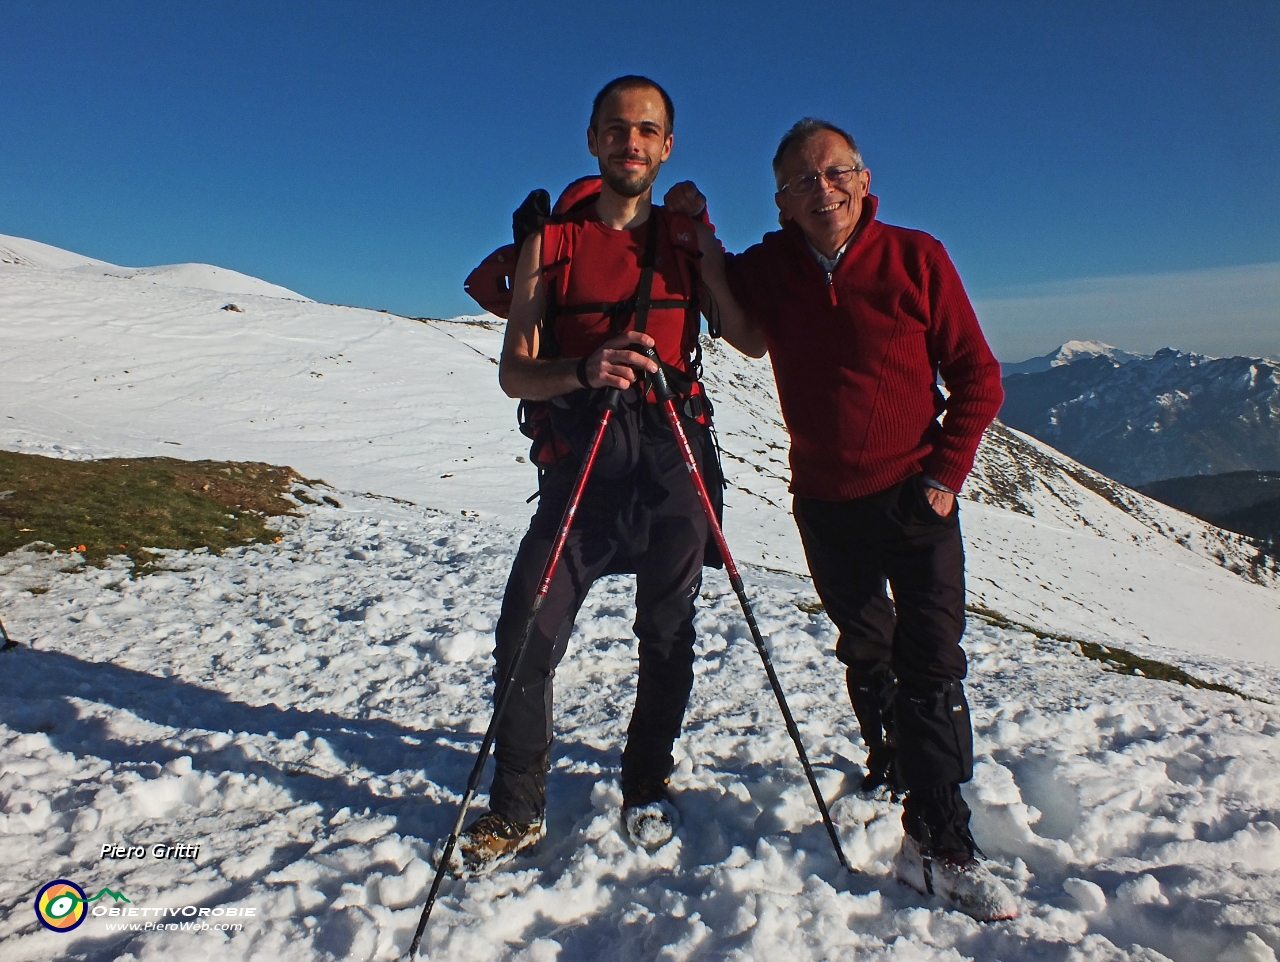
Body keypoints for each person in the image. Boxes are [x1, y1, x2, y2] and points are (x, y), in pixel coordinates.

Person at [664, 118, 1016, 920]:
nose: (821, 189)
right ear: (782, 203)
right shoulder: (775, 267)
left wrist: (943, 477)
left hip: (913, 498)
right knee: (867, 643)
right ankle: (888, 756)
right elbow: (729, 308)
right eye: (800, 181)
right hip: (824, 503)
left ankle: (940, 838)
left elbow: (979, 378)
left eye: (836, 172)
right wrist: (695, 223)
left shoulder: (915, 256)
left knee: (931, 661)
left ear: (863, 178)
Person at [454, 76, 748, 874]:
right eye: (617, 128)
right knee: (526, 629)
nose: (632, 141)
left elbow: (747, 335)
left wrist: (708, 240)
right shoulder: (551, 241)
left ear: (667, 146)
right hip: (582, 465)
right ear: (593, 138)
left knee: (668, 629)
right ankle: (516, 808)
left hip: (673, 464)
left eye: (648, 130)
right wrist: (585, 367)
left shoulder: (687, 241)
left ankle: (645, 782)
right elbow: (517, 372)